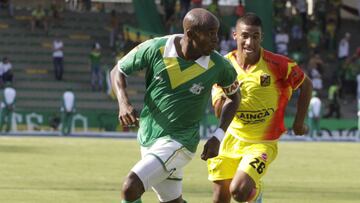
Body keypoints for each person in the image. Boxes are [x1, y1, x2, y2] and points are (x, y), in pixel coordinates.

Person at [110, 8, 241, 203]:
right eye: (210, 33)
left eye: (217, 33)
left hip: (180, 142)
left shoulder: (220, 66)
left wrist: (218, 136)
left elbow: (234, 98)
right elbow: (117, 70)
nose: (216, 39)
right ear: (190, 34)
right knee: (172, 201)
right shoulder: (156, 48)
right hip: (148, 137)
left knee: (130, 187)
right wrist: (123, 103)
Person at [206, 13, 313, 203]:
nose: (250, 42)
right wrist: (227, 97)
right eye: (245, 35)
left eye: (255, 36)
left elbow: (306, 84)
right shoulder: (223, 66)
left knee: (239, 191)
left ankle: (255, 191)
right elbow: (218, 110)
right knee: (219, 199)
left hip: (262, 142)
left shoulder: (279, 65)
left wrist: (299, 122)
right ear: (235, 35)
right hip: (229, 138)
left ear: (261, 38)